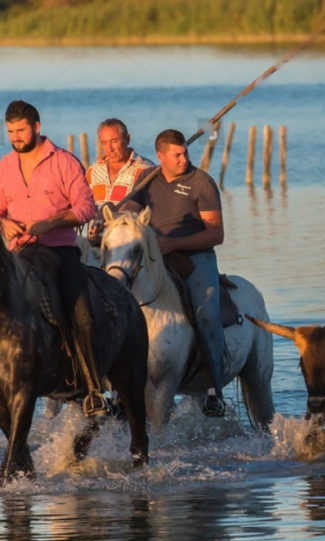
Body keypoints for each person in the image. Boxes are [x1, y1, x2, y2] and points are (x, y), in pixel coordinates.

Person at [0, 100, 107, 416]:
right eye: (10, 132)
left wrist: (52, 222)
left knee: (83, 316)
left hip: (59, 252)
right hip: (18, 254)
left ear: (36, 127)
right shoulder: (5, 166)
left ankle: (94, 390)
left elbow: (87, 208)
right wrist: (3, 221)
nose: (16, 137)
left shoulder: (64, 162)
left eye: (21, 130)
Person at [126, 129, 227, 417]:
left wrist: (174, 244)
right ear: (160, 156)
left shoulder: (202, 182)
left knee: (206, 313)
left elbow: (216, 234)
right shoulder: (145, 180)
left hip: (195, 258)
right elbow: (129, 216)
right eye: (177, 155)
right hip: (155, 258)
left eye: (185, 153)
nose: (184, 159)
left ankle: (214, 391)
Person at [85, 118, 153, 244]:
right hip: (94, 243)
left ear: (127, 139)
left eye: (114, 141)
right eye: (104, 143)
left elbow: (153, 212)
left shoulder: (146, 170)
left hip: (129, 244)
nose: (109, 148)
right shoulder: (93, 171)